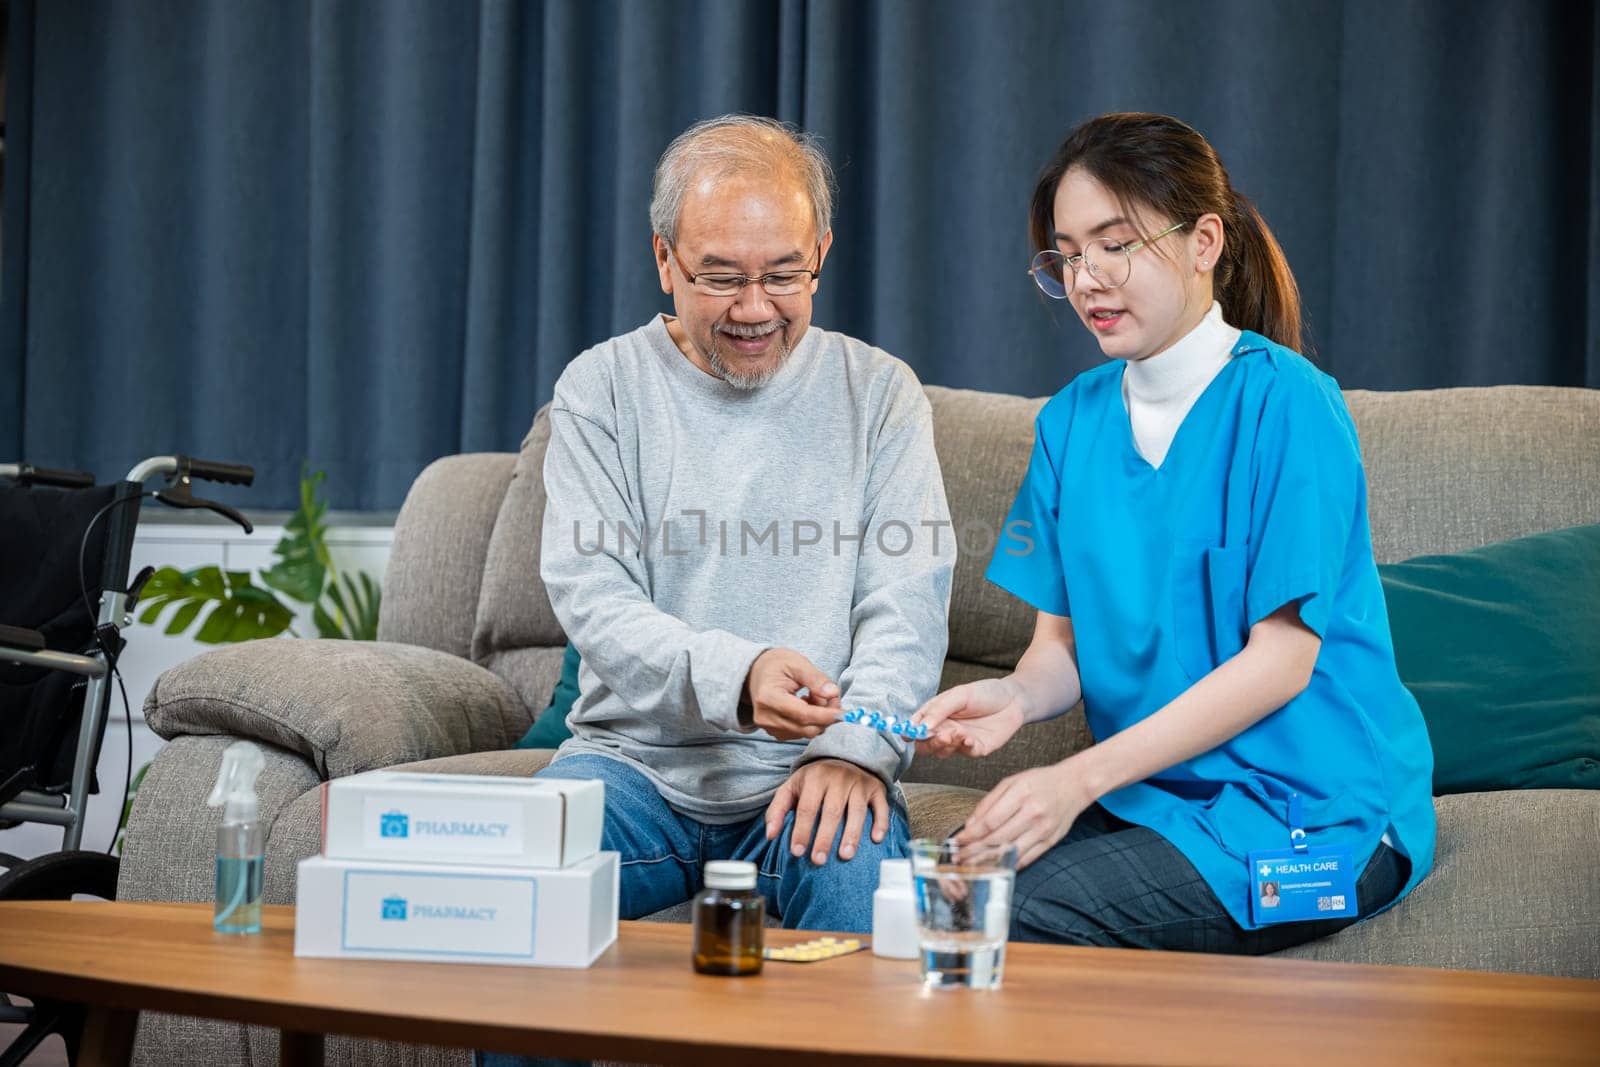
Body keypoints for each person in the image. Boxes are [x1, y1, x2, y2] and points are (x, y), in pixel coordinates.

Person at [912, 112, 1434, 955]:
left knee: (1018, 914)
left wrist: (1074, 779)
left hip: (1318, 813)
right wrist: (1010, 697)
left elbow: (1283, 662)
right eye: (1069, 254)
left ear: (1204, 242)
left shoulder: (1290, 406)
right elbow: (1060, 651)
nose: (1088, 278)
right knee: (936, 890)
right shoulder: (1070, 424)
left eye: (1115, 244)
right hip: (1159, 802)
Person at [535, 115, 953, 933]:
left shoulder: (881, 395)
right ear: (665, 260)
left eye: (784, 275)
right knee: (518, 892)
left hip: (811, 771)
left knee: (859, 892)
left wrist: (852, 748)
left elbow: (907, 606)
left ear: (822, 257)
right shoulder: (601, 390)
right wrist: (741, 674)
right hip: (631, 770)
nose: (755, 309)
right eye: (721, 277)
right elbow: (594, 599)